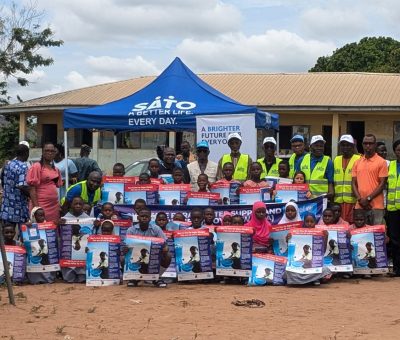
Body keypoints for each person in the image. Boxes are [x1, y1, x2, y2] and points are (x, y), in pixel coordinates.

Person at [125, 208, 171, 288]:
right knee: (123, 256)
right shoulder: (131, 230)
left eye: (146, 216)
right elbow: (126, 246)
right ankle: (133, 278)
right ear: (138, 217)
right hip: (136, 257)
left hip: (153, 257)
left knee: (168, 255)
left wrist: (165, 248)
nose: (144, 218)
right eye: (142, 216)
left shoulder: (156, 229)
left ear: (150, 218)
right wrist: (126, 248)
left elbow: (165, 244)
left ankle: (156, 277)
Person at [285, 212, 332, 286]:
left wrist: (325, 237)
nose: (309, 224)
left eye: (311, 221)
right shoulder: (297, 233)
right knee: (287, 270)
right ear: (304, 222)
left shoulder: (319, 233)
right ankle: (313, 279)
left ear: (315, 222)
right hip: (301, 268)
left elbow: (321, 253)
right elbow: (293, 253)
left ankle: (301, 281)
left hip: (314, 266)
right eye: (307, 221)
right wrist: (288, 240)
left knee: (326, 270)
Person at [352, 134, 388, 225]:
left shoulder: (381, 162)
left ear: (375, 145)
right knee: (360, 235)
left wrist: (368, 199)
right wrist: (360, 200)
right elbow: (353, 183)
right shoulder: (357, 162)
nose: (368, 146)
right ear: (362, 145)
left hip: (376, 206)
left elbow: (382, 184)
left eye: (370, 143)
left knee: (376, 236)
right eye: (365, 143)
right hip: (360, 206)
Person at [27, 142, 63, 224]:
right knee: (40, 229)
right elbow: (32, 189)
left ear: (55, 153)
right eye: (47, 150)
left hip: (53, 206)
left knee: (51, 230)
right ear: (43, 152)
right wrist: (37, 208)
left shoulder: (55, 169)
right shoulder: (37, 166)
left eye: (52, 151)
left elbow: (56, 185)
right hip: (41, 205)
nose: (49, 153)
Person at [60, 196, 90, 283]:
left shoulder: (88, 219)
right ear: (71, 205)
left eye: (80, 204)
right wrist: (59, 224)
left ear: (83, 205)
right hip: (69, 249)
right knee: (69, 278)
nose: (78, 206)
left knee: (82, 275)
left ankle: (82, 275)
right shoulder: (65, 218)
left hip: (82, 251)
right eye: (75, 204)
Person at [0, 144, 30, 230]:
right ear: (26, 153)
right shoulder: (23, 167)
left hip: (7, 205)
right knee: (24, 233)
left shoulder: (7, 164)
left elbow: (2, 179)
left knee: (8, 232)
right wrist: (31, 195)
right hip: (19, 206)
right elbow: (22, 186)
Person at [333, 135, 361, 224]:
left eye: (348, 145)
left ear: (353, 146)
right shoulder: (336, 160)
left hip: (353, 201)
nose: (345, 147)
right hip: (338, 202)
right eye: (343, 145)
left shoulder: (359, 159)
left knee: (351, 226)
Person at [300, 135, 334, 199]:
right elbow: (296, 179)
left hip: (320, 201)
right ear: (310, 147)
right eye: (316, 146)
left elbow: (330, 182)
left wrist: (330, 194)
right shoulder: (302, 159)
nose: (319, 148)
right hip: (304, 199)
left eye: (321, 146)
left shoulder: (328, 161)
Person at [386, 139, 400, 276]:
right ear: (395, 151)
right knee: (395, 240)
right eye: (398, 150)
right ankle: (397, 269)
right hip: (392, 209)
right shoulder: (390, 166)